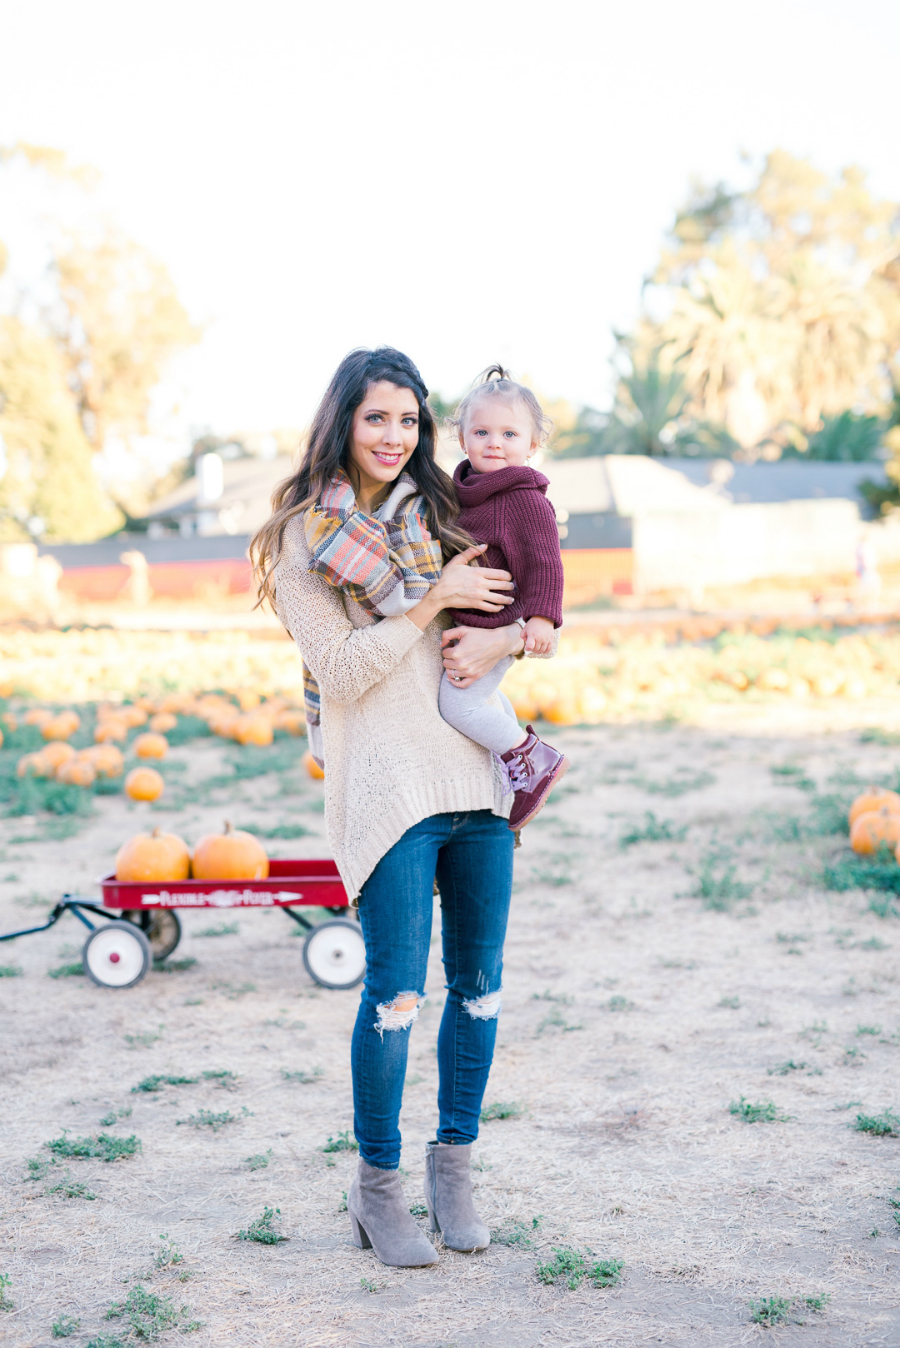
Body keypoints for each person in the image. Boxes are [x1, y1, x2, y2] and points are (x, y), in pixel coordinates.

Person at [250, 347, 536, 1269]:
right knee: (395, 998)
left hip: (474, 785)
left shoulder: (448, 514)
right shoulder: (305, 539)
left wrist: (511, 640)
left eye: (409, 420)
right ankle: (377, 1190)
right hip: (387, 790)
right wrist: (431, 605)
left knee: (481, 989)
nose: (395, 435)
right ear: (345, 421)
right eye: (378, 417)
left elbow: (517, 604)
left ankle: (453, 1170)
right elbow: (343, 671)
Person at [301, 363, 569, 831]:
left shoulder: (512, 497)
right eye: (482, 432)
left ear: (533, 444)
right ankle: (520, 758)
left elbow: (546, 570)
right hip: (396, 778)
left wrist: (524, 631)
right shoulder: (448, 497)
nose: (495, 443)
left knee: (462, 704)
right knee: (478, 702)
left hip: (488, 645)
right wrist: (440, 597)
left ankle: (529, 758)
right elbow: (341, 672)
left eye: (407, 420)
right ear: (461, 439)